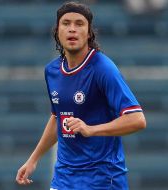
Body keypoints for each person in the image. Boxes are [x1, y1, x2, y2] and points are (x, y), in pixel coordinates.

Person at [16, 2, 146, 190]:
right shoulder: (52, 70)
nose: (72, 29)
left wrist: (91, 129)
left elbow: (137, 119)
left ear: (89, 32)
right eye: (66, 23)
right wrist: (33, 159)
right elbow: (58, 117)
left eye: (79, 24)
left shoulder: (103, 68)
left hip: (102, 179)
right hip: (64, 178)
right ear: (57, 31)